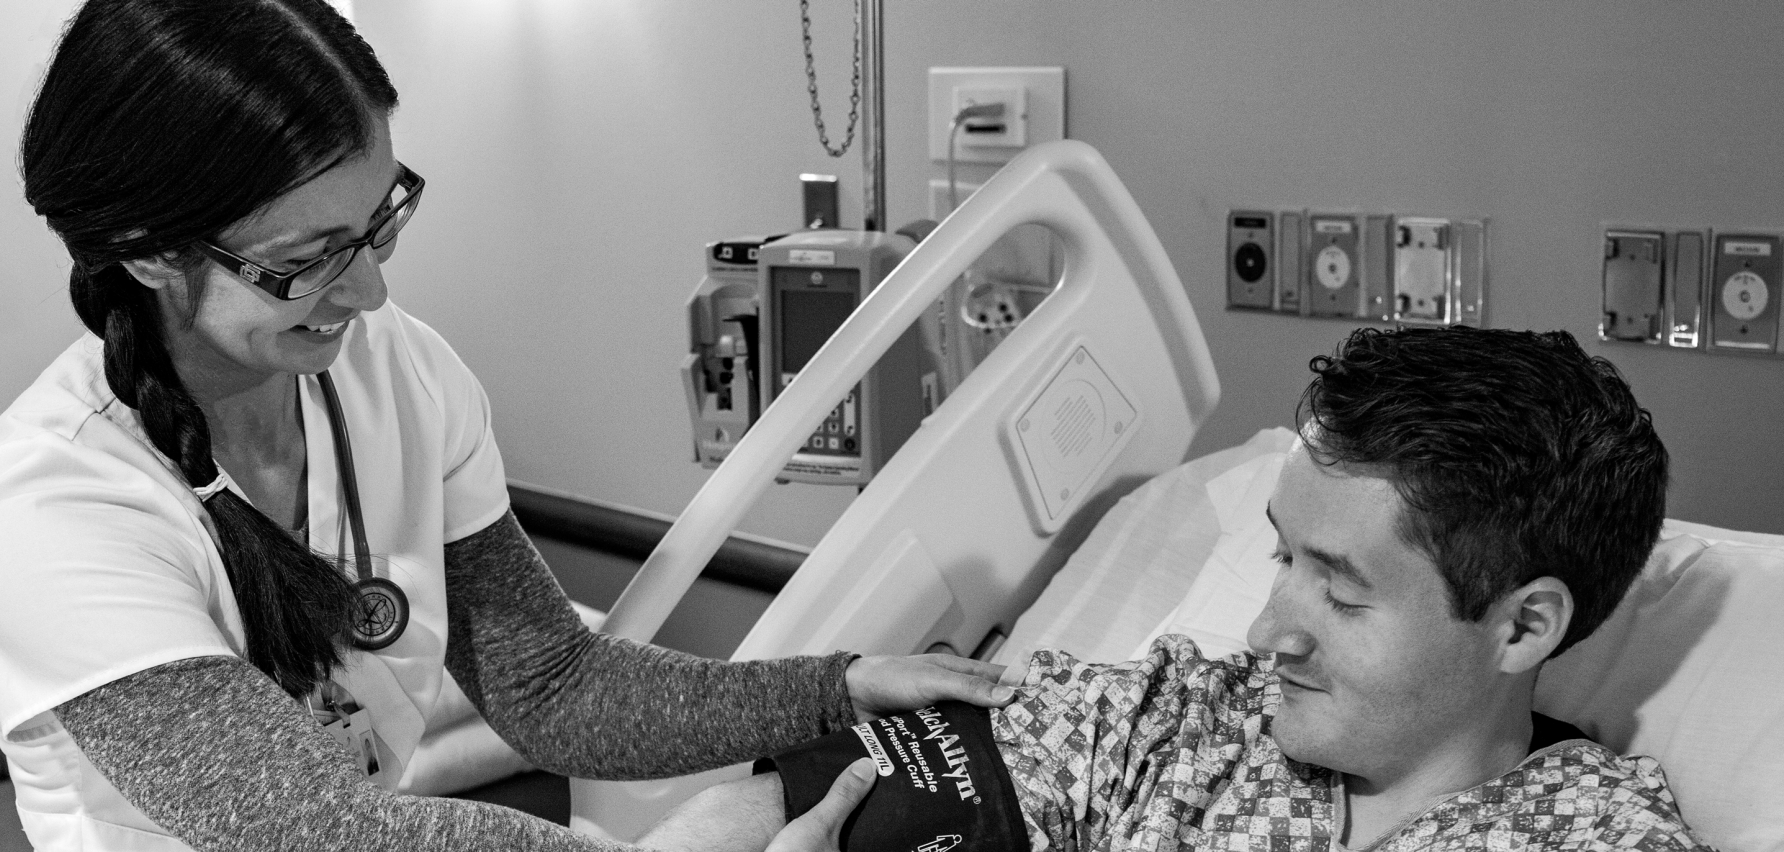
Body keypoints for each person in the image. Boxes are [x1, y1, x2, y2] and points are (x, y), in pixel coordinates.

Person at [0, 2, 1010, 849]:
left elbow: (555, 686)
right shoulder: (51, 511)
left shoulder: (397, 369)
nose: (362, 294)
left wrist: (833, 687)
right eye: (301, 260)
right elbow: (315, 833)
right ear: (146, 248)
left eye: (377, 225)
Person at [644, 326, 1712, 852]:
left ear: (1524, 625)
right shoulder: (1174, 720)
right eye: (1281, 557)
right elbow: (769, 816)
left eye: (1340, 595)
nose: (1264, 633)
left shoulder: (1594, 836)